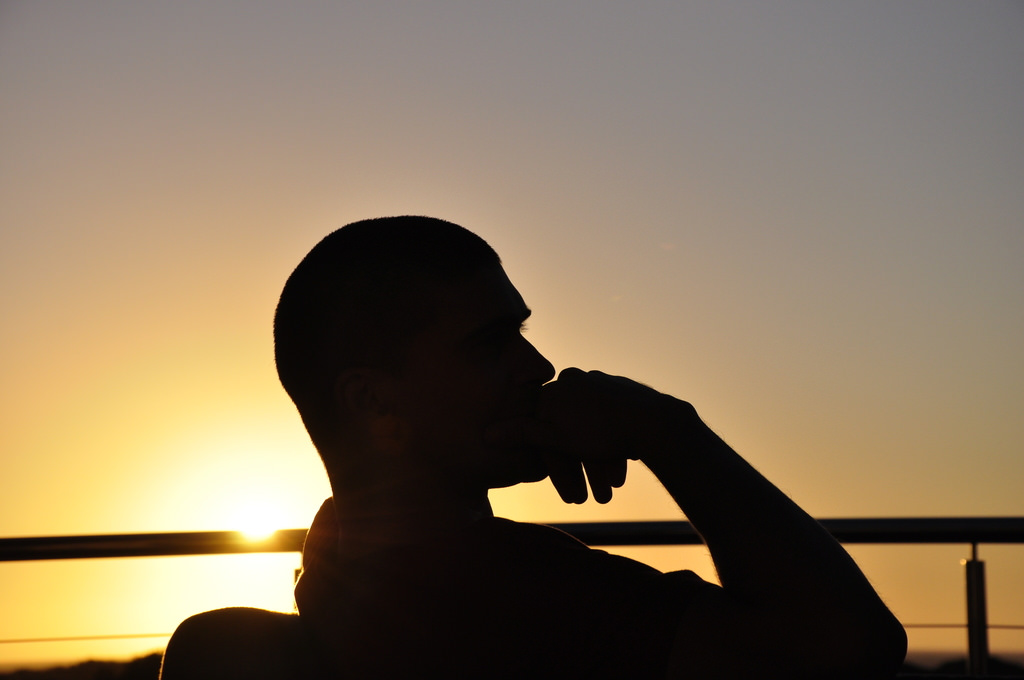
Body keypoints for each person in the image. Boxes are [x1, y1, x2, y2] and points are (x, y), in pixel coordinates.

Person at [162, 216, 906, 679]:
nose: (539, 367)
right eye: (493, 344)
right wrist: (667, 429)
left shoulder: (334, 565)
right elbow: (849, 647)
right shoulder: (509, 593)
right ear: (374, 402)